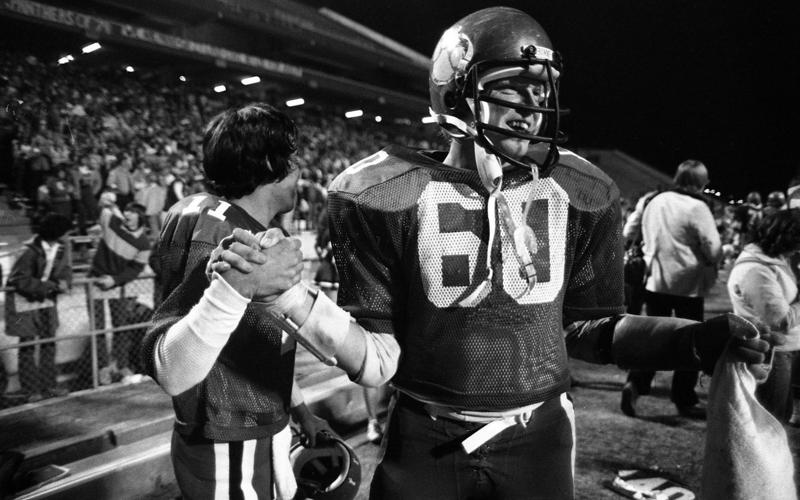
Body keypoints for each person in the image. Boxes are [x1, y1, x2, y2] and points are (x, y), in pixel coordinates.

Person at [213, 8, 777, 499]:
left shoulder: (580, 192)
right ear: (456, 91)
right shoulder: (382, 194)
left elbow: (592, 330)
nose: (532, 107)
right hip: (425, 429)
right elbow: (375, 352)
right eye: (514, 86)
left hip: (538, 435)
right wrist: (292, 297)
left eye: (541, 90)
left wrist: (693, 341)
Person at [140, 103, 336, 499]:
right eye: (293, 158)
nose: (298, 171)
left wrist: (298, 410)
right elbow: (174, 353)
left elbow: (254, 345)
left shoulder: (201, 213)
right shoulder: (229, 236)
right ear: (269, 163)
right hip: (230, 428)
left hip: (245, 421)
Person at [621, 159, 722, 419]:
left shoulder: (652, 199)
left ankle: (636, 383)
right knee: (692, 341)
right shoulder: (697, 207)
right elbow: (713, 248)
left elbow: (629, 230)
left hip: (654, 279)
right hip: (688, 284)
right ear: (700, 182)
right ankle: (684, 397)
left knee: (654, 337)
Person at [727, 209, 800, 423]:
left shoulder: (771, 259)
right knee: (770, 420)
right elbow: (779, 321)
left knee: (780, 415)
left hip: (780, 351)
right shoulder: (756, 270)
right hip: (772, 353)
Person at [4, 213, 73, 402]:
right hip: (24, 301)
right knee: (27, 345)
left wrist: (65, 281)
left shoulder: (61, 248)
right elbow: (19, 279)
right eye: (66, 233)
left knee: (49, 342)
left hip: (46, 299)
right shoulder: (29, 250)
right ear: (57, 233)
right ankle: (31, 390)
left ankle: (49, 385)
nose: (68, 236)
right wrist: (51, 286)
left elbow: (66, 270)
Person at [88, 195, 152, 383]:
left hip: (118, 285)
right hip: (95, 281)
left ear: (140, 216)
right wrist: (105, 200)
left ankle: (122, 365)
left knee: (121, 326)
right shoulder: (112, 221)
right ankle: (102, 368)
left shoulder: (143, 243)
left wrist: (114, 280)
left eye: (132, 212)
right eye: (126, 211)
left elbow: (136, 268)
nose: (127, 214)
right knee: (97, 328)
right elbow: (101, 207)